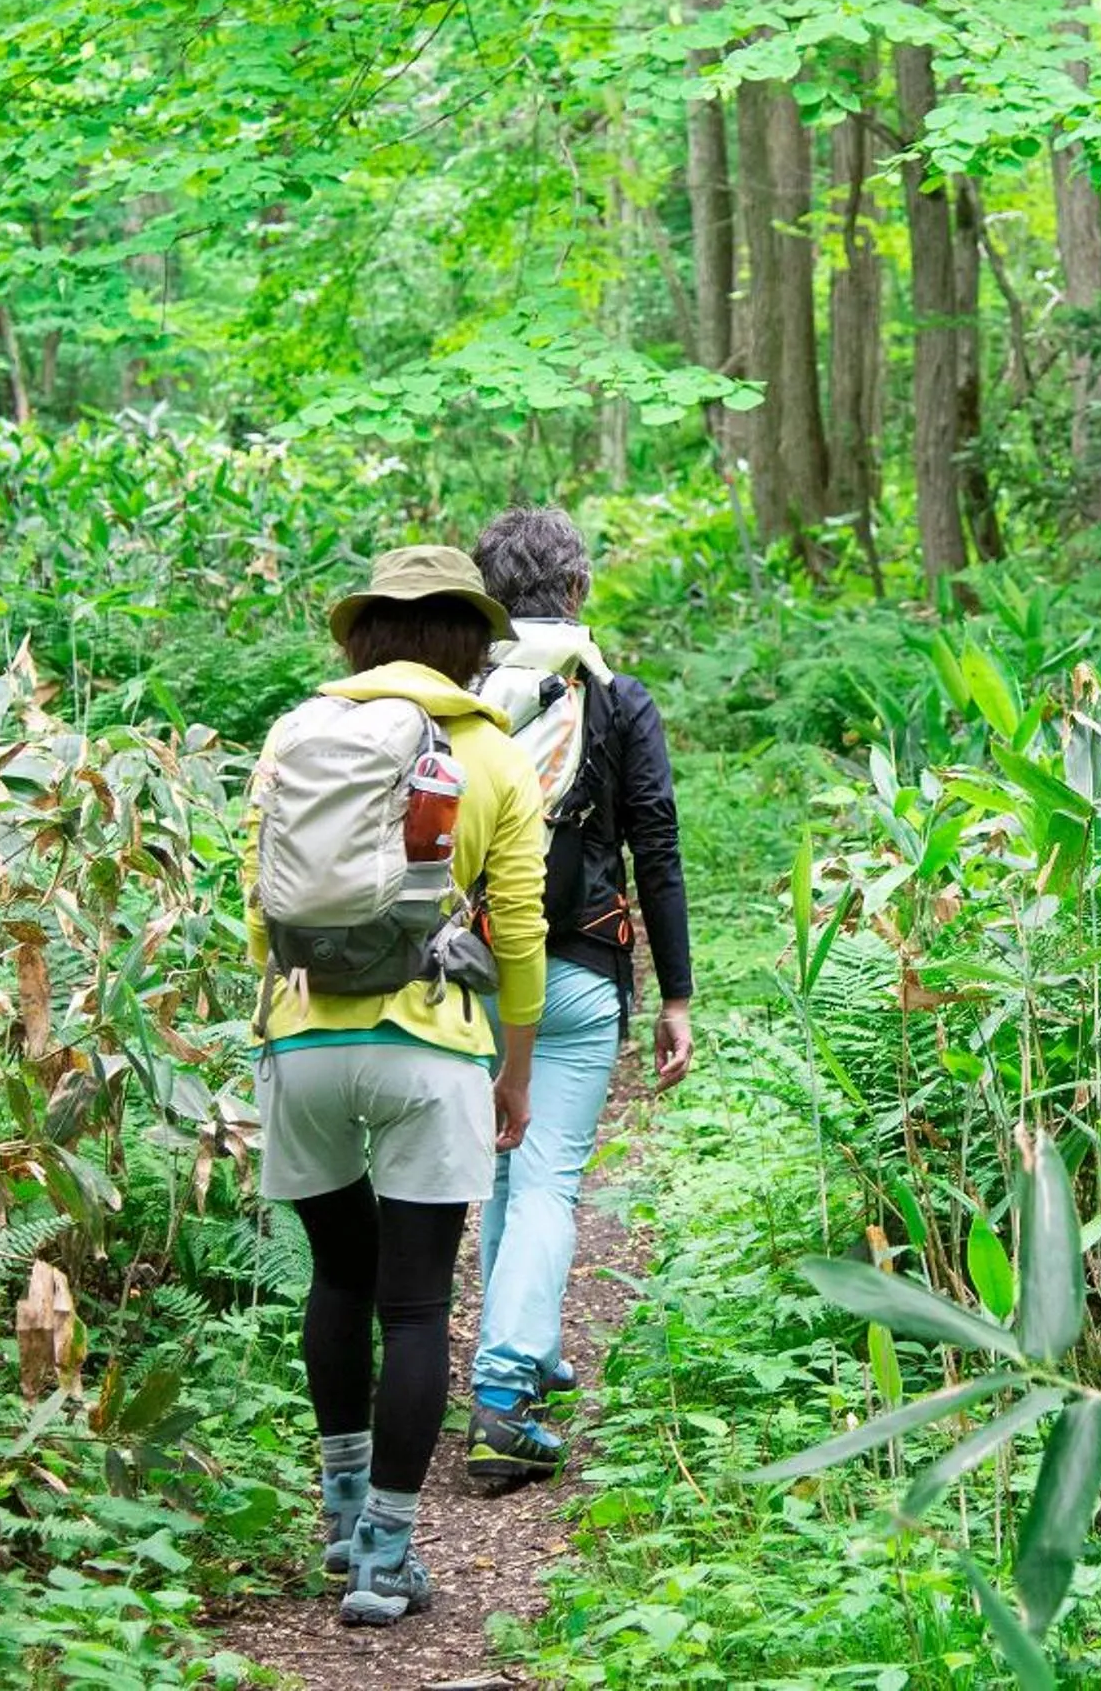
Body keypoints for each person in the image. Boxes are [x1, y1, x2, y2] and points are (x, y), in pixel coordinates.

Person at [245, 546, 549, 1627]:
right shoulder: (494, 752)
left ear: (365, 634)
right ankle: (383, 1559)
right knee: (416, 1306)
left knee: (337, 1278)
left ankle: (337, 1522)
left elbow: (259, 906)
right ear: (470, 641)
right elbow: (521, 929)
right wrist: (515, 1070)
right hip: (431, 1046)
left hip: (301, 1040)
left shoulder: (295, 732)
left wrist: (298, 1002)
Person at [462, 504, 694, 1489]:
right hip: (580, 971)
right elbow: (657, 848)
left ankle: (529, 1346)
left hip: (469, 971)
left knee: (505, 1170)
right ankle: (505, 1391)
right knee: (548, 1177)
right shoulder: (618, 699)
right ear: (578, 588)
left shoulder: (460, 697)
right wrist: (677, 997)